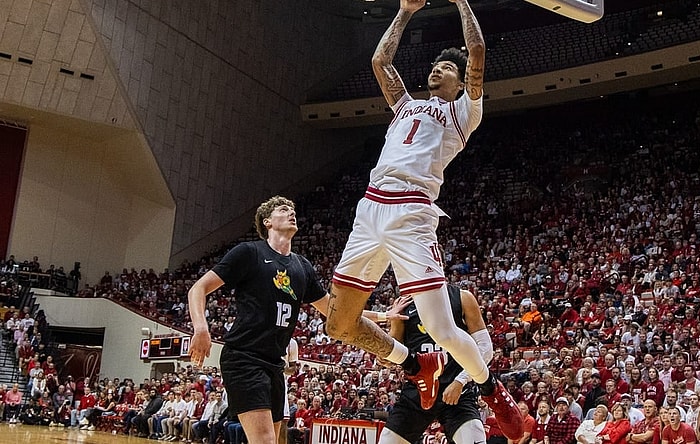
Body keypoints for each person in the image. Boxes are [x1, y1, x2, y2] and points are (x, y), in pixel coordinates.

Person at [323, 0, 522, 440]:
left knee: (443, 329)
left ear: (459, 80)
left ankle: (491, 389)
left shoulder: (462, 113)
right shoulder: (406, 106)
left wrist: (461, 2)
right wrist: (405, 10)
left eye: (446, 68)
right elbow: (380, 61)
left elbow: (478, 52)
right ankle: (416, 365)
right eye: (434, 66)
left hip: (412, 213)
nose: (438, 70)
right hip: (370, 208)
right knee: (338, 324)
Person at [188, 196, 404, 444]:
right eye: (283, 209)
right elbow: (198, 289)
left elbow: (335, 310)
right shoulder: (249, 252)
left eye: (292, 209)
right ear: (267, 221)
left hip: (274, 364)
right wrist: (201, 327)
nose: (291, 212)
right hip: (244, 358)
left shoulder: (302, 266)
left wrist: (385, 316)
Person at [378, 286, 490, 444]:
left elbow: (485, 349)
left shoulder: (462, 297)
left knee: (475, 438)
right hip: (417, 393)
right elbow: (391, 353)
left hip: (457, 392)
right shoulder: (404, 304)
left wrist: (460, 381)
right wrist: (384, 356)